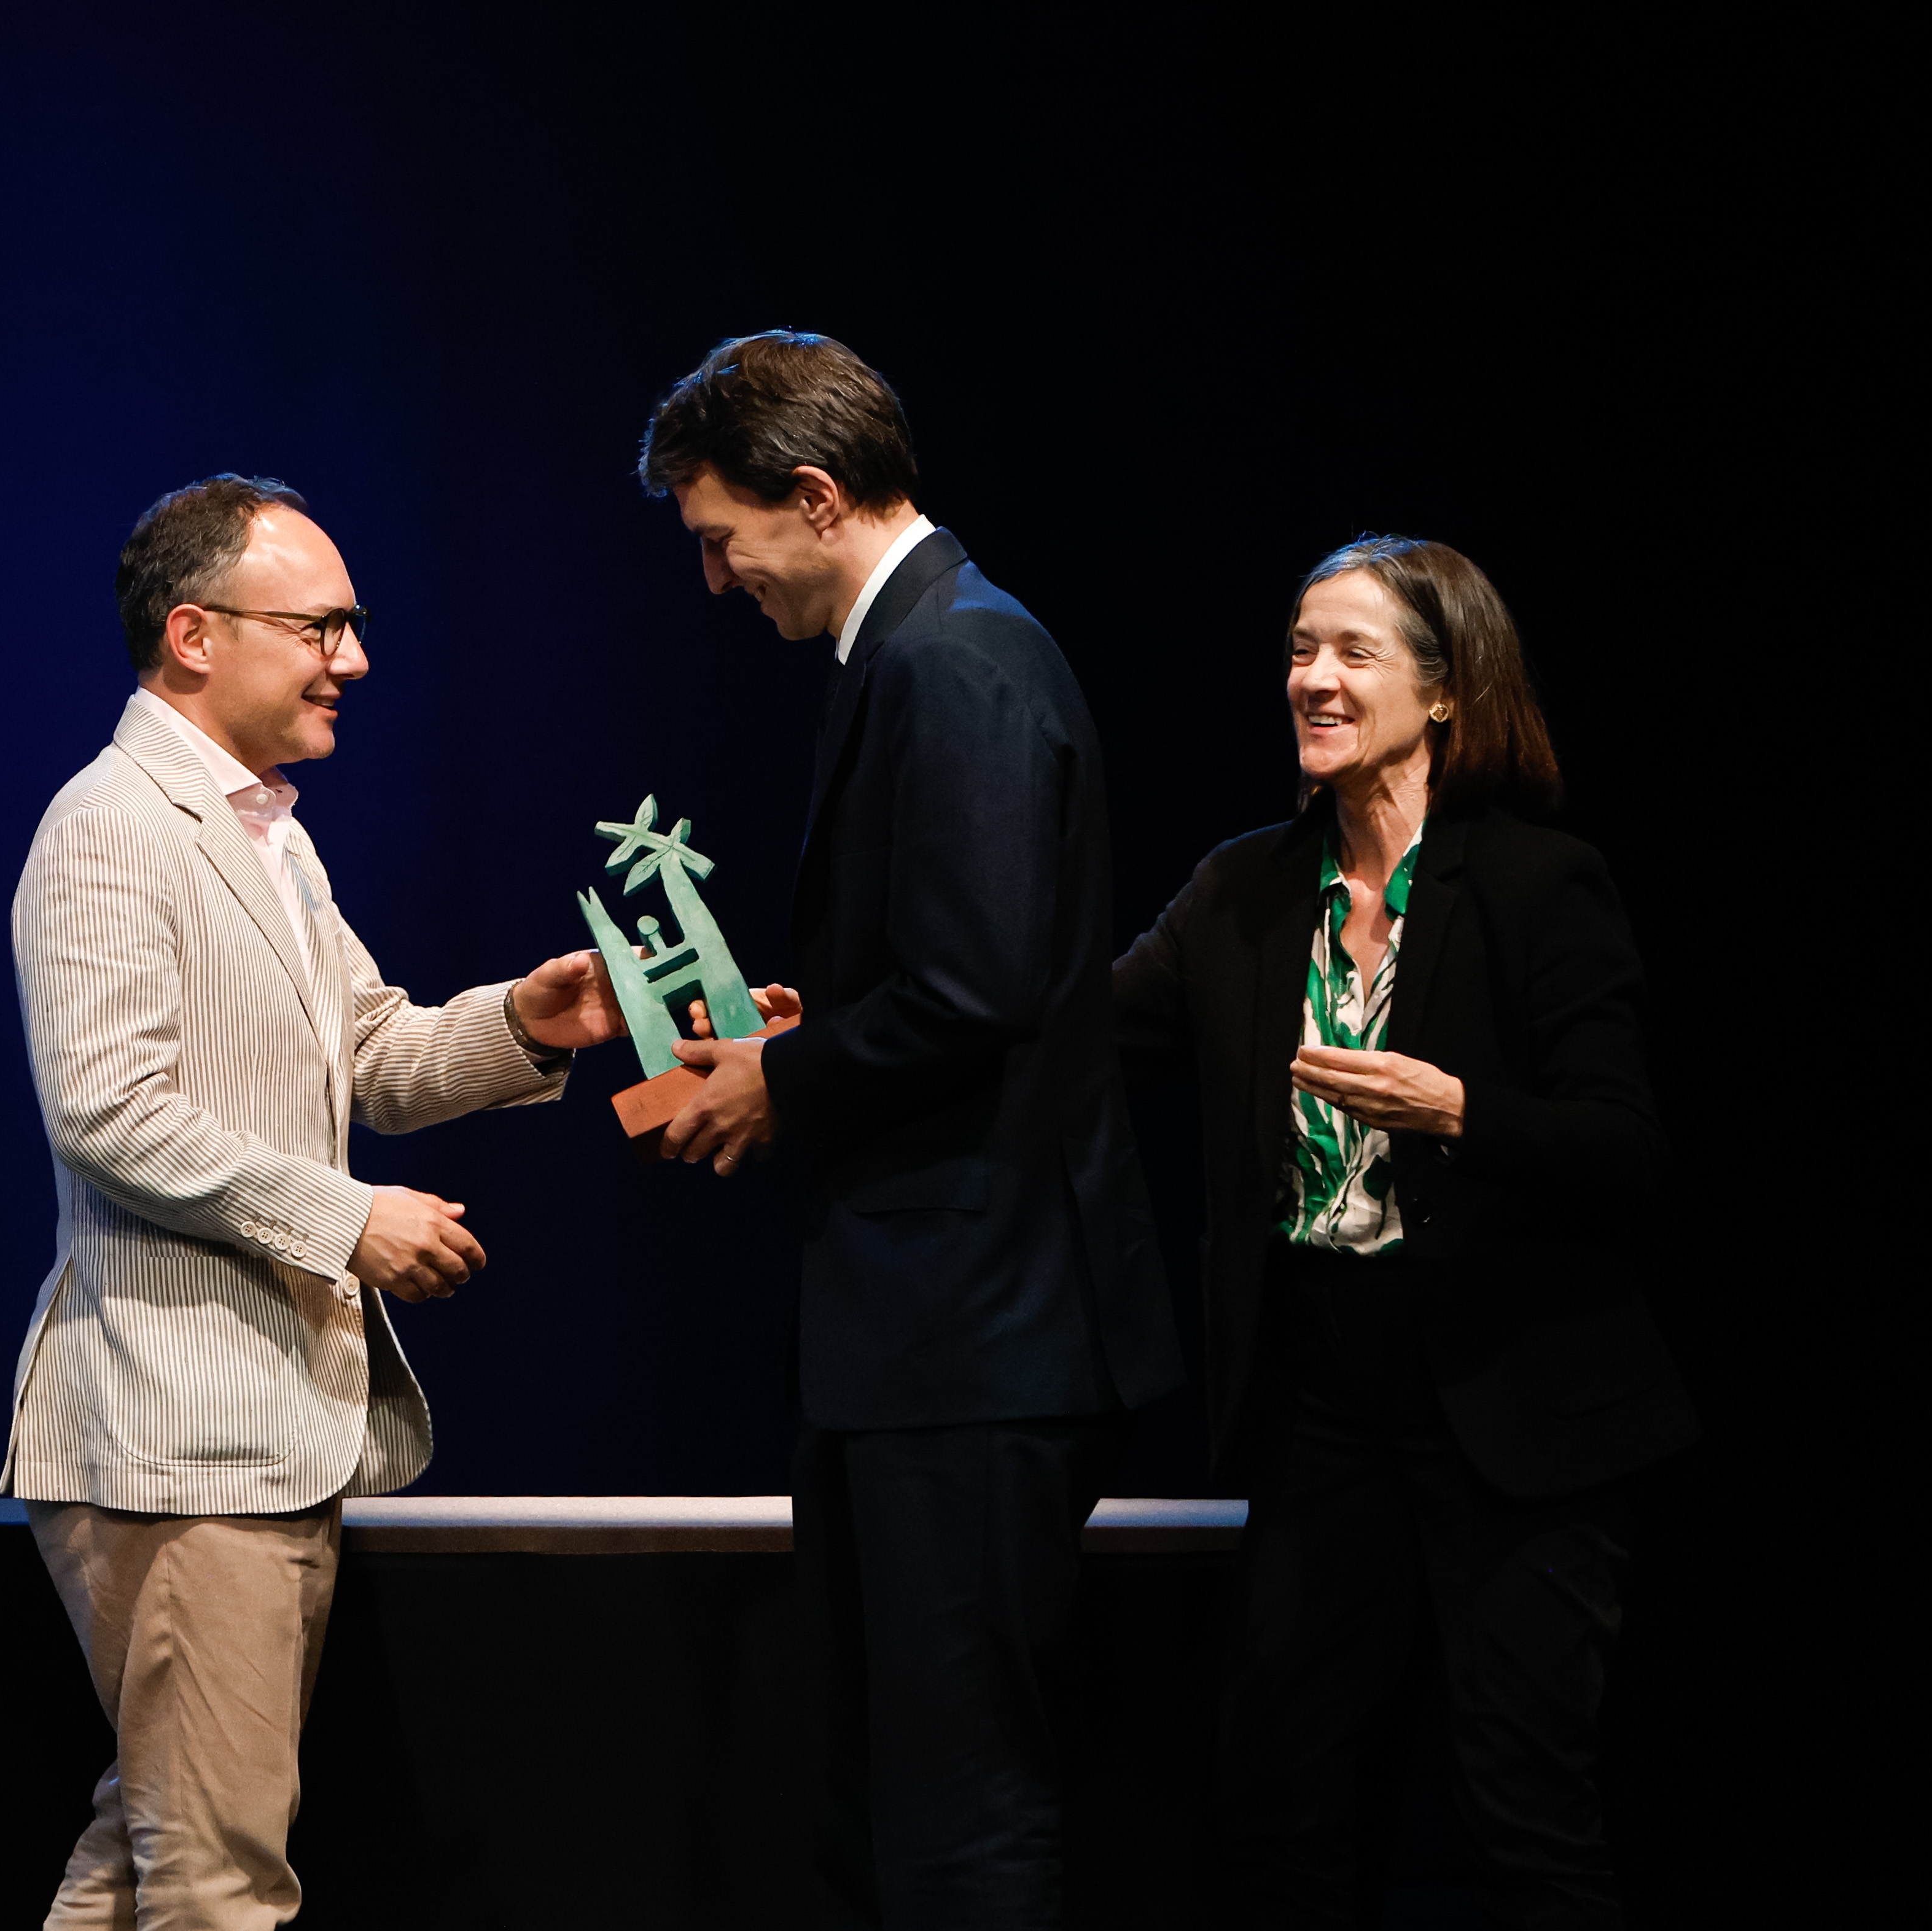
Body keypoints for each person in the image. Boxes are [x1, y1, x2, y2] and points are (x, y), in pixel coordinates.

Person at [5, 473, 622, 1930]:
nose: (354, 658)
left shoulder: (268, 834)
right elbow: (108, 1108)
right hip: (175, 1438)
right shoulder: (114, 825)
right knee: (216, 1879)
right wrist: (347, 1219)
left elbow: (371, 1053)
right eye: (320, 627)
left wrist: (525, 1023)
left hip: (255, 1434)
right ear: (194, 634)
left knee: (146, 1855)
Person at [639, 332, 1185, 1927]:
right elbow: (964, 971)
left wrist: (780, 1081)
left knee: (959, 1810)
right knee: (892, 1796)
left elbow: (981, 987)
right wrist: (812, 1031)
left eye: (721, 540)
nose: (715, 580)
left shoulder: (953, 658)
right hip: (938, 1335)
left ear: (814, 497)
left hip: (977, 1334)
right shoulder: (920, 650)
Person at [1112, 535, 1698, 1925]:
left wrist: (1458, 1110)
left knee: (1521, 1815)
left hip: (1513, 1405)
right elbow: (1070, 1045)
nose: (1311, 678)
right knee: (1281, 1805)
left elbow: (1625, 1149)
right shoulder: (1242, 890)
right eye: (1298, 650)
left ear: (1442, 691)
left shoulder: (1537, 883)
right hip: (1322, 1402)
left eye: (1351, 652)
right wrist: (843, 1038)